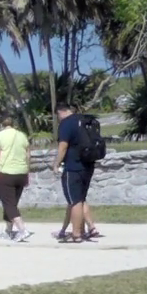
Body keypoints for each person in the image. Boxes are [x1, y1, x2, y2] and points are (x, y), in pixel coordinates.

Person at [53, 103, 97, 242]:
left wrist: (56, 163)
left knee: (75, 201)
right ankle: (85, 229)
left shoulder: (66, 124)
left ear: (60, 112)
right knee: (81, 198)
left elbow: (63, 146)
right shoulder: (84, 120)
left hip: (73, 166)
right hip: (88, 165)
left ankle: (76, 234)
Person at [0, 112, 32, 241]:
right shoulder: (22, 135)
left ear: (1, 123)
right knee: (12, 203)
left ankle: (22, 229)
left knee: (8, 204)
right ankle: (8, 230)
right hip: (21, 172)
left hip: (6, 173)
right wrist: (27, 171)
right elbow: (28, 155)